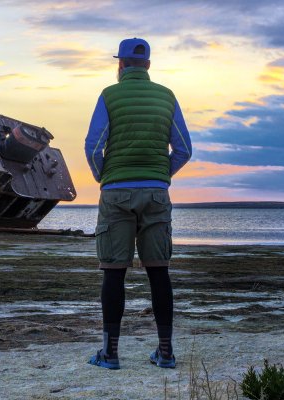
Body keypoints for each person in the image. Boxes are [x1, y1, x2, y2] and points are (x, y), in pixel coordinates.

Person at [84, 38, 192, 369]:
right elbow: (184, 149)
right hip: (156, 193)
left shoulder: (109, 95)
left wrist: (107, 177)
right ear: (147, 65)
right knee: (159, 272)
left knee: (114, 272)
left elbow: (93, 147)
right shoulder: (167, 96)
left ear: (121, 65)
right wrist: (161, 175)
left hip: (116, 192)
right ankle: (165, 352)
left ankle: (111, 353)